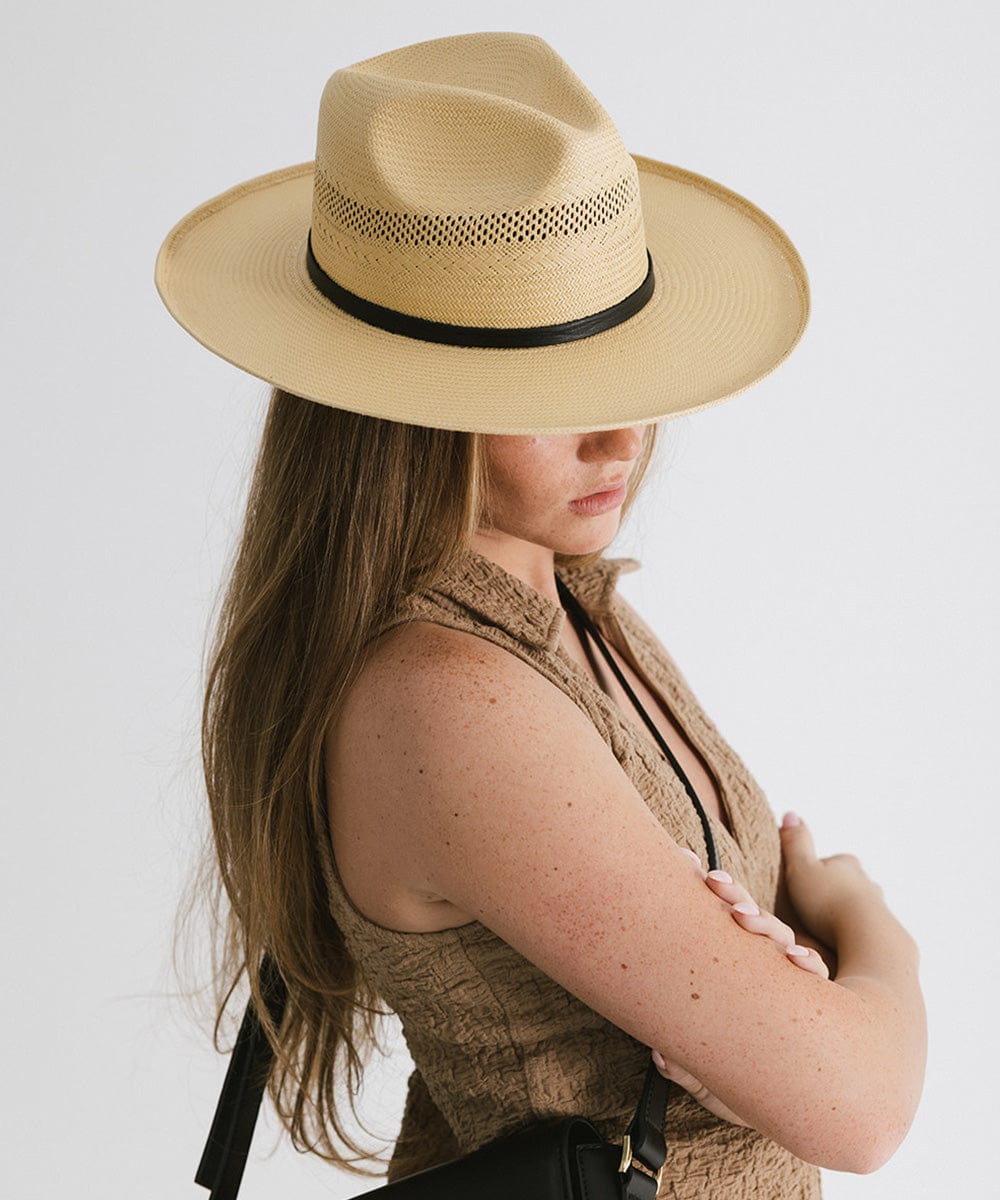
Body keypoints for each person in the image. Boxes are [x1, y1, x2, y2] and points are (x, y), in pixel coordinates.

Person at [156, 31, 926, 1199]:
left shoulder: (563, 602)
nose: (624, 435)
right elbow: (858, 1108)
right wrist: (875, 942)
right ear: (402, 406)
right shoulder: (442, 702)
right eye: (549, 392)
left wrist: (799, 988)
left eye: (622, 365)